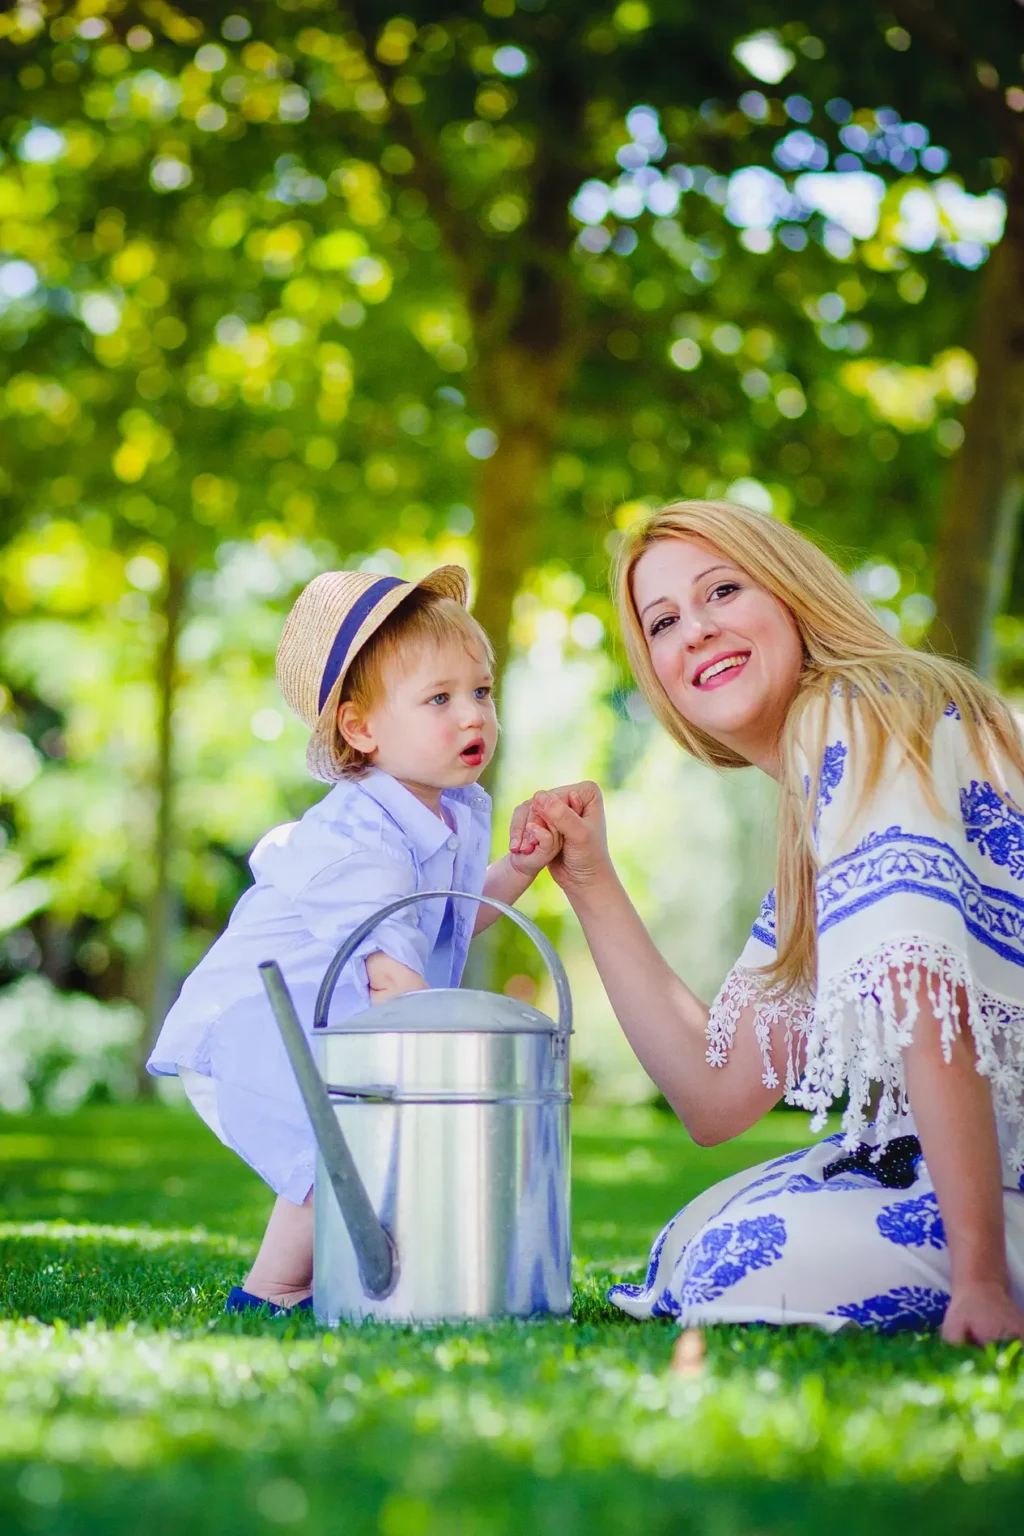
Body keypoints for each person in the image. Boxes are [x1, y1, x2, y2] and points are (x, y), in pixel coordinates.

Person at [511, 499, 1024, 1344]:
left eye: (722, 591)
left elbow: (923, 991)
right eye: (665, 620)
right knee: (694, 1241)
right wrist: (592, 880)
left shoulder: (859, 711)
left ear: (792, 594)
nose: (697, 631)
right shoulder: (821, 802)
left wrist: (980, 1281)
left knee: (734, 1257)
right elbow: (716, 1097)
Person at [149, 565, 558, 1313]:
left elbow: (449, 918)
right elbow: (393, 984)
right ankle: (271, 1290)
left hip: (316, 1017)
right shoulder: (360, 840)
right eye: (439, 699)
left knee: (360, 1140)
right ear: (360, 728)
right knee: (339, 1153)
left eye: (481, 692)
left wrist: (519, 868)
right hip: (256, 1022)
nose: (472, 717)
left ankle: (321, 1282)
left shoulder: (450, 808)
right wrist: (455, 1077)